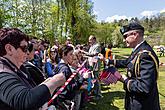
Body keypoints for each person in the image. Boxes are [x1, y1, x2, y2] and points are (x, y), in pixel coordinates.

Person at [0, 28, 66, 110]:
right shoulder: (2, 74)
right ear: (9, 49)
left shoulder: (19, 68)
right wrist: (55, 81)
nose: (27, 52)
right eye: (24, 48)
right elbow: (25, 101)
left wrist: (46, 83)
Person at [104, 22, 160, 110]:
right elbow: (127, 62)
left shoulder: (145, 55)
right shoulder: (138, 50)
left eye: (125, 36)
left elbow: (144, 87)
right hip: (134, 101)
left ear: (135, 35)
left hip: (143, 105)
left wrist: (124, 80)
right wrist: (107, 61)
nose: (123, 40)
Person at [80, 35, 102, 100]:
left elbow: (94, 55)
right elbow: (90, 56)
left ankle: (98, 95)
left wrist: (84, 52)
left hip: (96, 65)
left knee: (97, 80)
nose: (89, 41)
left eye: (90, 40)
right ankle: (95, 92)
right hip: (92, 65)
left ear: (94, 40)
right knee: (94, 79)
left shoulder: (97, 46)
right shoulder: (92, 46)